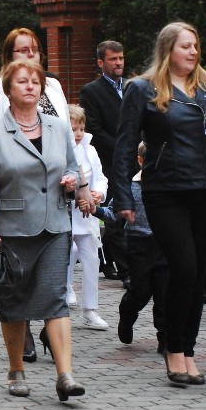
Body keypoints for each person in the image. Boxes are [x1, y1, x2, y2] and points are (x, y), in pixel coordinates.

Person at [112, 21, 206, 386]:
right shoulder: (142, 89)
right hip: (166, 191)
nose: (193, 52)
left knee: (197, 273)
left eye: (196, 45)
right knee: (182, 267)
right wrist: (122, 197)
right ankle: (173, 350)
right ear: (168, 50)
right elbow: (124, 144)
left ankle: (188, 350)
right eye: (186, 46)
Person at [0, 27, 92, 363]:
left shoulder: (50, 85)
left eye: (34, 49)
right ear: (8, 57)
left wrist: (77, 184)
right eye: (22, 50)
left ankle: (62, 361)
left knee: (54, 288)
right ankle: (19, 349)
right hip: (13, 199)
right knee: (16, 285)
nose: (30, 55)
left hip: (53, 203)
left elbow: (67, 147)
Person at [96, 142, 168, 354]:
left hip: (164, 243)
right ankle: (127, 314)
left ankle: (165, 338)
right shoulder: (130, 186)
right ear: (140, 160)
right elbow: (112, 213)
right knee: (141, 291)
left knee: (165, 293)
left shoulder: (169, 186)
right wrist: (95, 210)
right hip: (138, 244)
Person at [80, 40, 128, 283]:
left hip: (133, 160)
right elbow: (95, 129)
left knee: (124, 212)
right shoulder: (92, 91)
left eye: (120, 58)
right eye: (113, 59)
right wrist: (122, 148)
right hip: (109, 160)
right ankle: (125, 269)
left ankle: (108, 260)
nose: (118, 62)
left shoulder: (131, 87)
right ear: (101, 63)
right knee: (115, 213)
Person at [66, 104, 108, 330]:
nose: (78, 134)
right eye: (73, 129)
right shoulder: (62, 150)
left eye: (81, 128)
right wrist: (76, 196)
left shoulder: (90, 150)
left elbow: (101, 177)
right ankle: (64, 292)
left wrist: (98, 193)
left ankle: (90, 309)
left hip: (87, 214)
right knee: (65, 256)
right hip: (66, 212)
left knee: (92, 259)